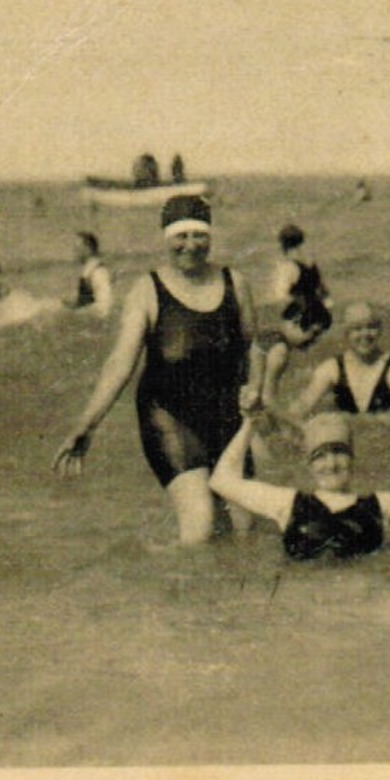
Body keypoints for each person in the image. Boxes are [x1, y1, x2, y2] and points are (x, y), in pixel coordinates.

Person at [52, 195, 266, 545]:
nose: (191, 246)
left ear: (210, 237)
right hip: (168, 416)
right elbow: (120, 362)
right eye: (181, 236)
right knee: (200, 526)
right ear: (167, 238)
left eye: (199, 236)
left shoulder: (235, 283)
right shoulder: (147, 291)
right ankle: (176, 591)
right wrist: (85, 426)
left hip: (225, 415)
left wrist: (255, 386)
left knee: (244, 531)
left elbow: (253, 347)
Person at [209, 410, 390, 561]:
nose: (331, 464)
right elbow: (221, 481)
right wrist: (249, 424)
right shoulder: (287, 504)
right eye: (319, 455)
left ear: (352, 457)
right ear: (308, 464)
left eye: (339, 452)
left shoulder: (379, 507)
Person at [289, 301, 390, 423]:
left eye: (371, 327)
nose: (365, 334)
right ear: (346, 333)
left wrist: (351, 419)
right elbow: (302, 407)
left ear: (380, 330)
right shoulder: (332, 368)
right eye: (357, 329)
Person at [259, 223, 334, 405]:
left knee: (268, 348)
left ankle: (270, 397)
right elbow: (325, 294)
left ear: (282, 245)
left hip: (300, 321)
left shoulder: (287, 267)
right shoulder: (311, 263)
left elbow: (280, 298)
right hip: (321, 318)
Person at [64, 231, 115, 316]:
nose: (74, 253)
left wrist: (77, 313)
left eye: (77, 249)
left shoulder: (98, 272)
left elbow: (104, 306)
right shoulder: (88, 271)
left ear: (87, 249)